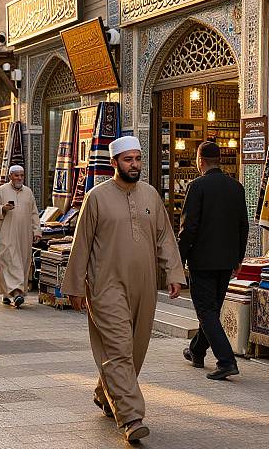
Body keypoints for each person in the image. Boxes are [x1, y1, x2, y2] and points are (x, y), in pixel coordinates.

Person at [61, 136, 186, 443]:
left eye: (138, 159)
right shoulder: (97, 197)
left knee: (136, 347)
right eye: (128, 159)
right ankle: (131, 416)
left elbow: (165, 238)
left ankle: (106, 393)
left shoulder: (151, 195)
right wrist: (75, 286)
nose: (135, 164)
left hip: (143, 284)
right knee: (119, 349)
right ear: (114, 163)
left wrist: (173, 273)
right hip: (105, 285)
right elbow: (82, 245)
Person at [178, 141, 249, 380]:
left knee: (206, 312)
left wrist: (180, 259)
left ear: (200, 160)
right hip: (227, 261)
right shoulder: (236, 187)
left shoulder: (197, 186)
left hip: (203, 261)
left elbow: (188, 228)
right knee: (212, 311)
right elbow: (243, 226)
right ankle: (196, 351)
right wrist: (238, 257)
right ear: (219, 159)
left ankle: (226, 361)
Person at [0, 165, 41, 308]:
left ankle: (7, 293)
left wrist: (37, 231)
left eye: (21, 175)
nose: (19, 178)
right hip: (6, 234)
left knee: (22, 262)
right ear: (10, 176)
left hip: (24, 234)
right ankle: (17, 293)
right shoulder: (1, 191)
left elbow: (34, 213)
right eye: (16, 175)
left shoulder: (28, 192)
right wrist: (3, 209)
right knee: (11, 261)